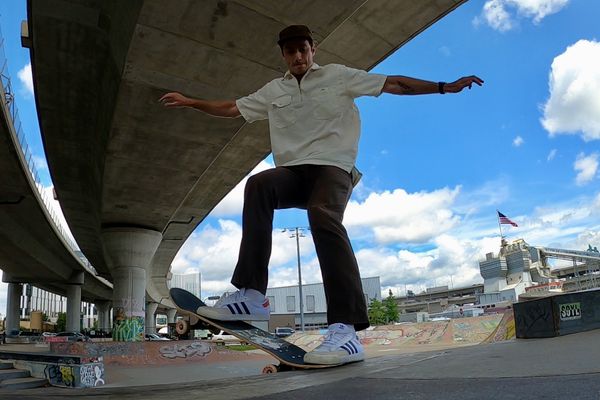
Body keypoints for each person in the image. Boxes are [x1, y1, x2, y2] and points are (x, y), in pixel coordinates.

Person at [160, 25, 483, 365]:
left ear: (313, 49)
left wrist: (444, 87)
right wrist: (191, 102)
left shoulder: (338, 76)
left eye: (303, 49)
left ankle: (345, 331)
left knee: (322, 215)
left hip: (333, 169)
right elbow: (231, 108)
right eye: (290, 52)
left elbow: (393, 84)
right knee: (258, 185)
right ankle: (252, 294)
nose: (297, 57)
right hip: (294, 174)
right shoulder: (274, 90)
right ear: (283, 55)